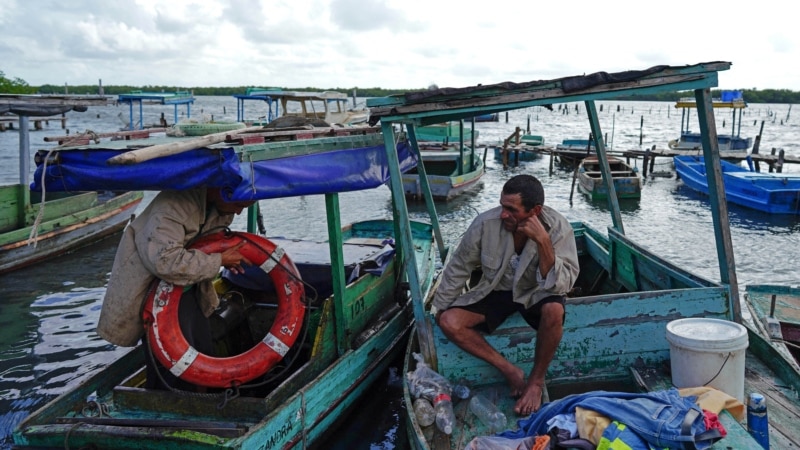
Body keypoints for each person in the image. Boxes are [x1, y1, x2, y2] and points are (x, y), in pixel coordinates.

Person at [433, 174, 579, 416]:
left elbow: (561, 285)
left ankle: (535, 381)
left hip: (536, 292)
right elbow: (459, 267)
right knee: (449, 321)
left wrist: (543, 241)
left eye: (511, 209)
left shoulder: (558, 228)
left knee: (555, 309)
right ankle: (510, 370)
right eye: (502, 206)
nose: (503, 214)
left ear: (535, 210)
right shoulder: (485, 224)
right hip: (497, 290)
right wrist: (440, 309)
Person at [97, 187, 255, 389]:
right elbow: (165, 260)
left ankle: (201, 399)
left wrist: (224, 257)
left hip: (190, 291)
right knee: (172, 367)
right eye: (239, 205)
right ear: (221, 190)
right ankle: (165, 408)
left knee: (202, 350)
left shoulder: (221, 209)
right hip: (155, 298)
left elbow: (208, 245)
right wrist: (219, 260)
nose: (239, 212)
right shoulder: (172, 207)